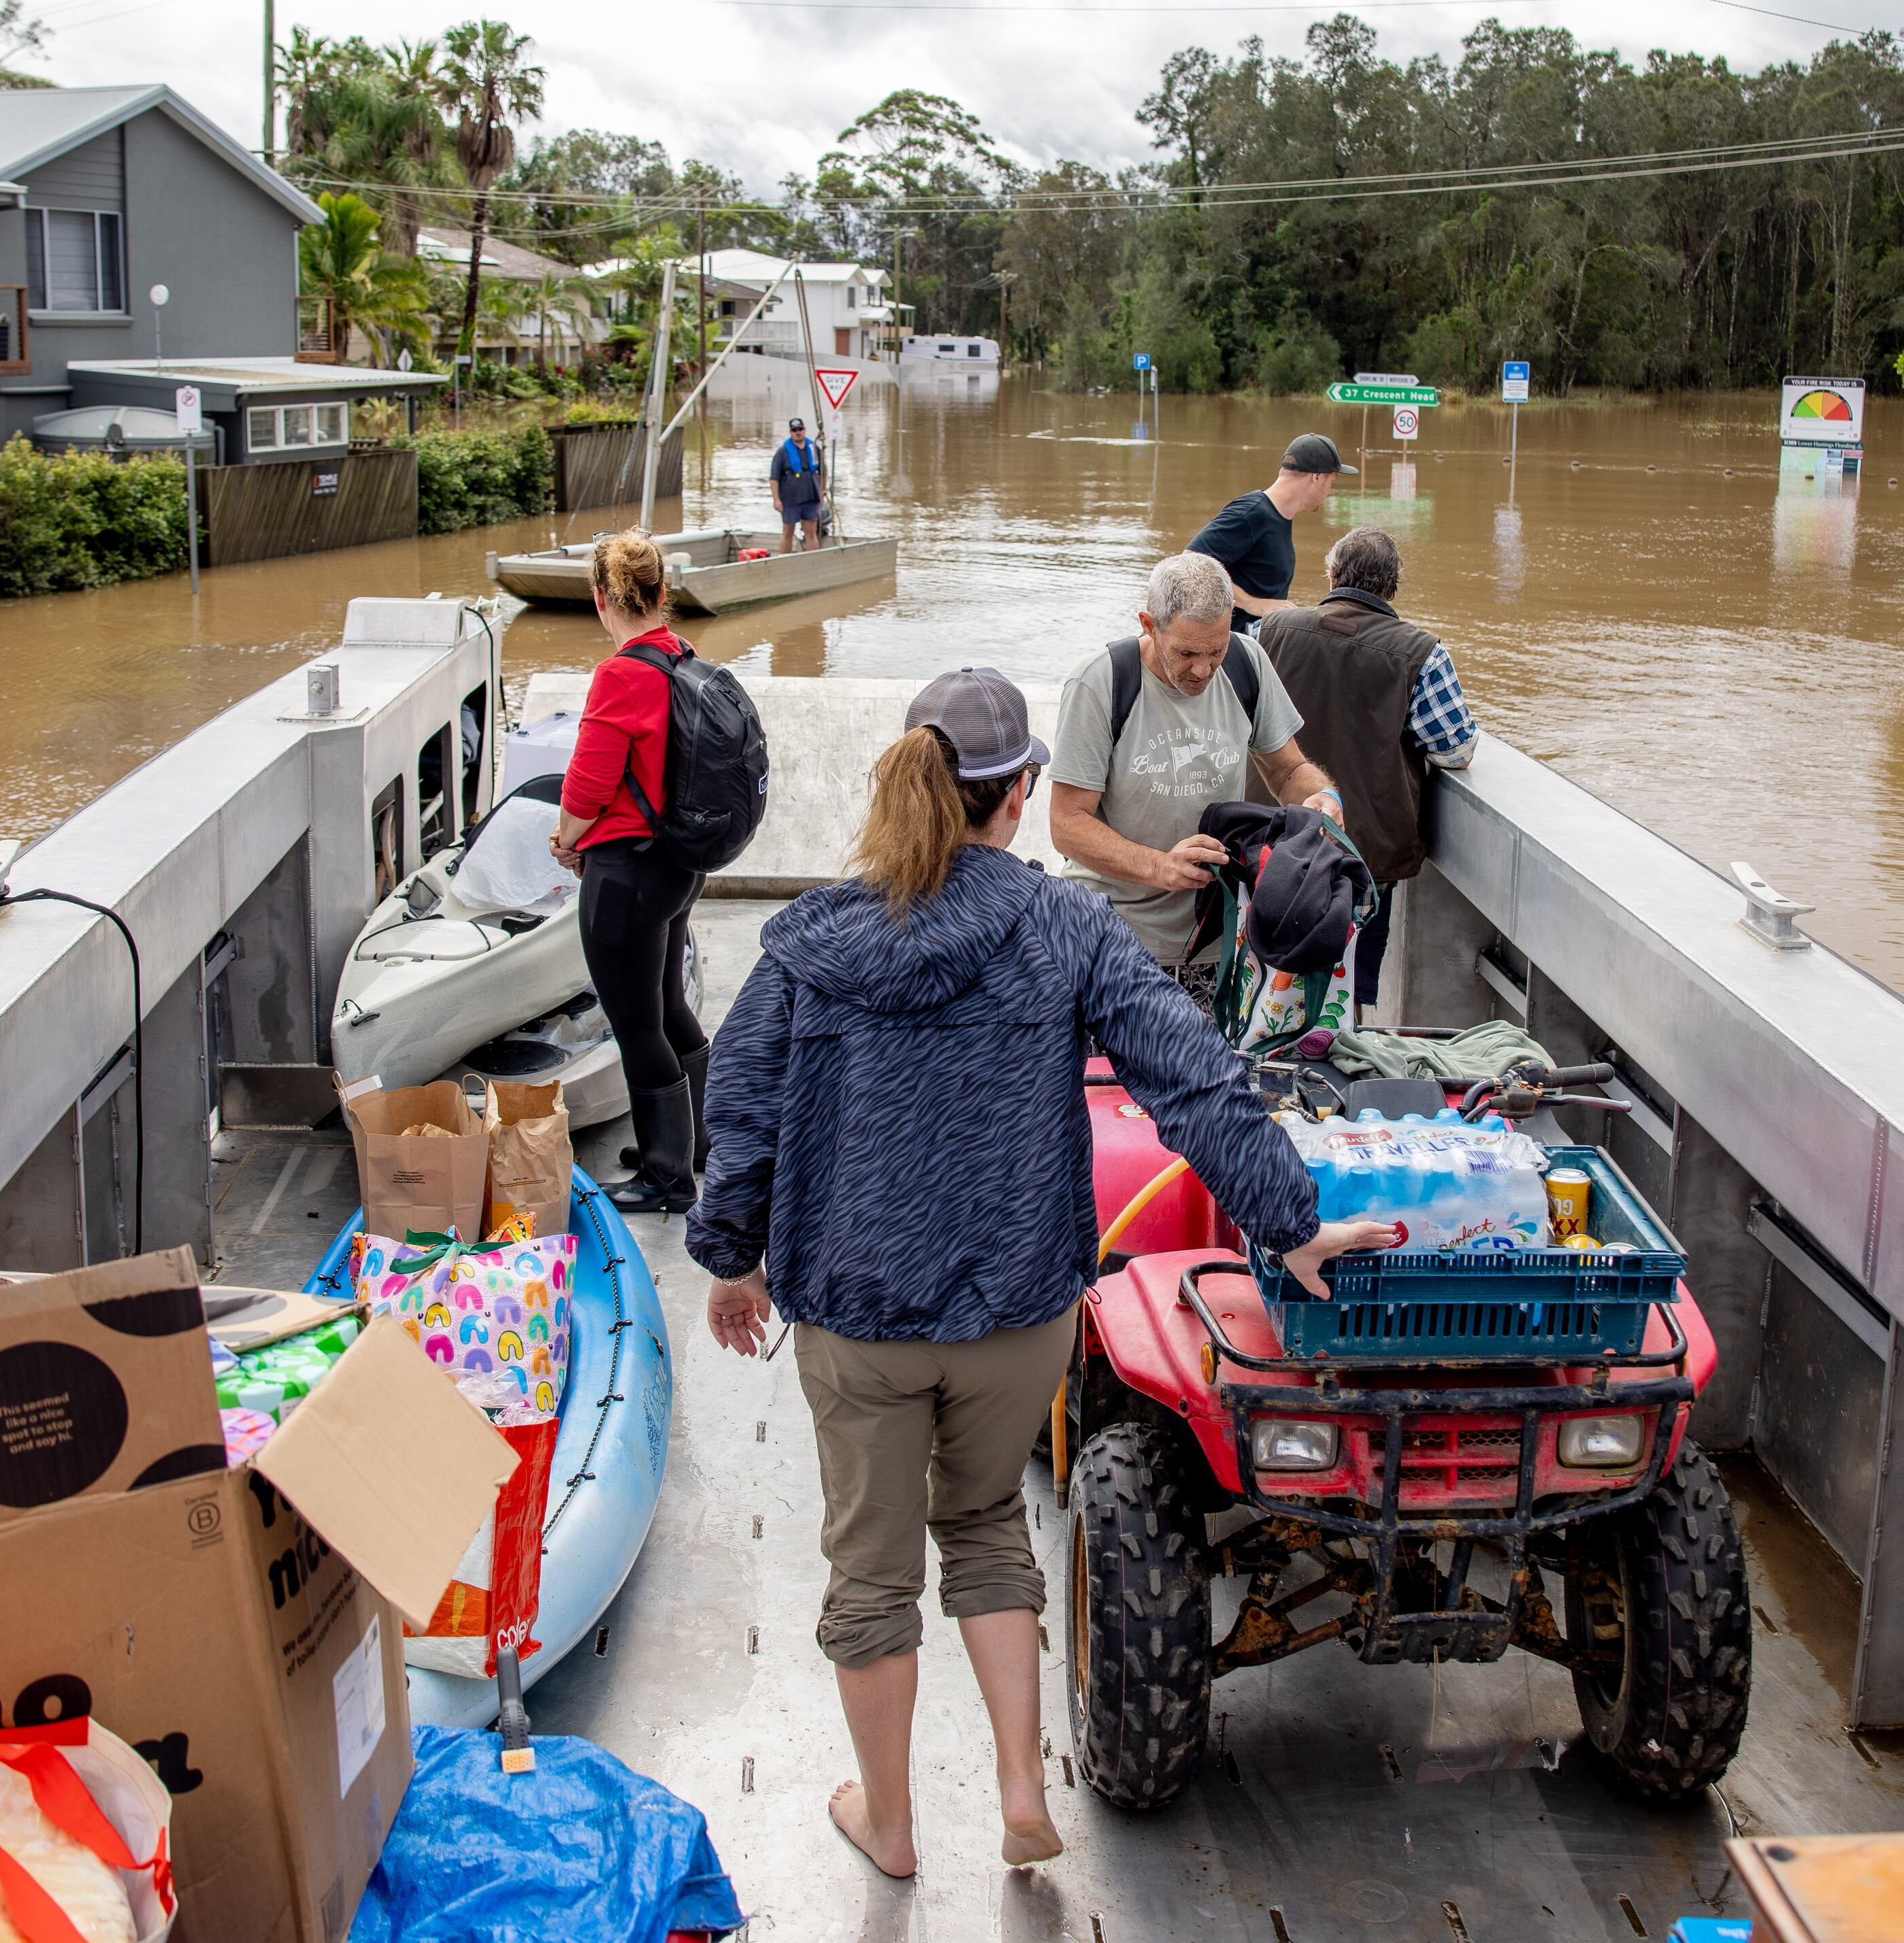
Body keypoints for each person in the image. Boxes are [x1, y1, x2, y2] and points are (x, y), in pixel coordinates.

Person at [687, 668, 1396, 1880]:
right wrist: (1289, 1223)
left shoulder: (809, 941)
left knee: (870, 1570)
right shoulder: (1068, 926)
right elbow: (1191, 1076)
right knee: (985, 1528)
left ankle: (893, 1821)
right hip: (1017, 1314)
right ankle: (1021, 1789)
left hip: (858, 1314)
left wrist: (728, 1258)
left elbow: (740, 1108)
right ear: (1020, 795)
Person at [1047, 551, 1344, 1001]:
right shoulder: (1100, 682)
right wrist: (1160, 866)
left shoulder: (1248, 663)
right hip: (1110, 938)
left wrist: (1321, 797)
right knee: (1109, 1073)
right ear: (1149, 625)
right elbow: (1067, 824)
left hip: (1216, 941)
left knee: (1206, 1072)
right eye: (1186, 653)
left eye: (1216, 650)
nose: (1204, 670)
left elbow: (1288, 770)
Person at [548, 528, 709, 1211]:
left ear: (599, 600)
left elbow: (588, 787)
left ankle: (665, 1178)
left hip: (625, 873)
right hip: (676, 865)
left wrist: (564, 838)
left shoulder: (620, 673)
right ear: (663, 594)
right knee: (669, 1006)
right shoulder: (683, 658)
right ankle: (701, 1141)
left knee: (635, 1025)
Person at [1258, 527, 1477, 1011]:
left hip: (1276, 838)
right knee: (1345, 985)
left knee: (1261, 969)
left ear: (1332, 574)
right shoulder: (1422, 653)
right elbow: (1455, 751)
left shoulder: (1268, 632)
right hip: (1364, 856)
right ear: (1393, 583)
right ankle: (1333, 1064)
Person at [1185, 432, 1349, 631]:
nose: (1330, 491)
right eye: (1331, 481)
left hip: (1250, 648)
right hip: (1226, 650)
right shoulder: (1252, 512)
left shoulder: (1278, 517)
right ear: (1317, 477)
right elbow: (1188, 565)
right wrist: (1251, 603)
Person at [772, 414, 827, 551]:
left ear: (804, 430)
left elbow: (823, 473)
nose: (798, 432)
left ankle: (812, 562)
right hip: (790, 499)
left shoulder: (814, 448)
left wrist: (822, 492)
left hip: (811, 496)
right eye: (795, 430)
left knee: (811, 531)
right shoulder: (783, 452)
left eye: (800, 429)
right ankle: (784, 561)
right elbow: (774, 478)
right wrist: (776, 499)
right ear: (791, 433)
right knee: (788, 531)